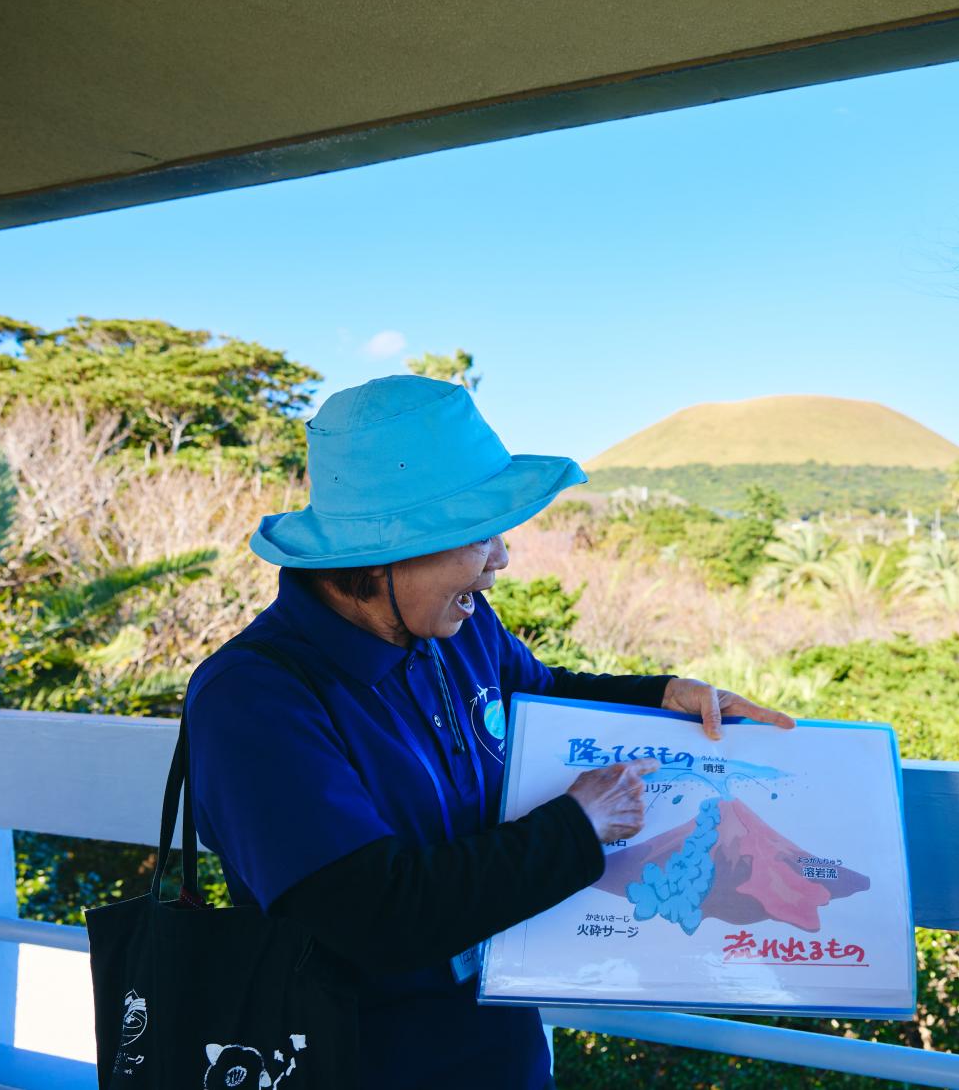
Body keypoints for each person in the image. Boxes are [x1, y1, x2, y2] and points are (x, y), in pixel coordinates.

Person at [186, 375, 794, 1089]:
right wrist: (576, 826)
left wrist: (666, 695)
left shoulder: (456, 628)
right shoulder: (253, 698)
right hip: (354, 1060)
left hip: (499, 1043)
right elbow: (370, 915)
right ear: (382, 553)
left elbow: (542, 692)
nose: (501, 558)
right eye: (478, 535)